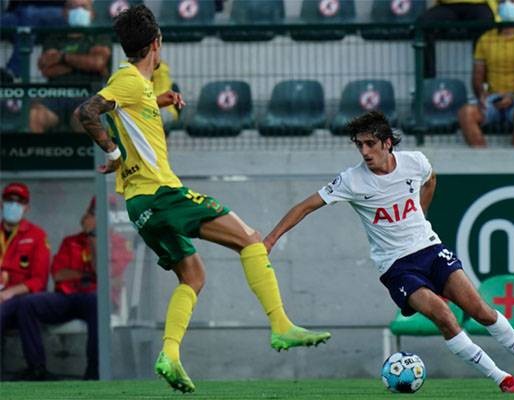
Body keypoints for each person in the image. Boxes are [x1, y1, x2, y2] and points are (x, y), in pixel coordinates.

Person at [74, 4, 330, 393]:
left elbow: (128, 109)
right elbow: (87, 111)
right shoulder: (127, 81)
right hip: (162, 194)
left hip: (141, 207)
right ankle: (280, 326)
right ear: (157, 43)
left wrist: (159, 104)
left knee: (193, 276)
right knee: (249, 238)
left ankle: (170, 354)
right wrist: (111, 152)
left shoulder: (136, 85)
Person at [264, 111, 514, 393]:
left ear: (387, 143)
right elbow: (306, 205)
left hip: (429, 248)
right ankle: (502, 378)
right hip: (396, 266)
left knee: (481, 310)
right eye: (359, 145)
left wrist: (421, 214)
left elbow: (431, 178)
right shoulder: (352, 180)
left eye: (370, 144)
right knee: (444, 316)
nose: (365, 152)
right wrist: (272, 238)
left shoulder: (415, 162)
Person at [17, 197, 133, 380]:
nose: (99, 217)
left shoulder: (119, 243)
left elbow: (103, 272)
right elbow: (58, 274)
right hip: (67, 297)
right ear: (88, 214)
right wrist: (86, 276)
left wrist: (94, 236)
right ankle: (36, 369)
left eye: (106, 212)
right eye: (95, 212)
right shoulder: (71, 241)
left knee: (97, 303)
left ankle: (95, 372)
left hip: (98, 298)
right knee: (27, 303)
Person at [458, 0, 514, 147]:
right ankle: (485, 162)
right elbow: (477, 76)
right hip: (493, 99)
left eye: (513, 2)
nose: (507, 5)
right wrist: (482, 94)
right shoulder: (485, 39)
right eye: (503, 2)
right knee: (465, 113)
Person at [29, 0, 112, 133]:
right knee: (35, 116)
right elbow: (47, 69)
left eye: (84, 7)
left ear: (92, 13)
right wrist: (84, 61)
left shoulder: (99, 35)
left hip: (88, 95)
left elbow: (97, 63)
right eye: (73, 7)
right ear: (65, 13)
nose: (79, 11)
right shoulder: (54, 37)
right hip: (56, 95)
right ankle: (39, 153)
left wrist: (62, 58)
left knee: (85, 118)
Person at [0, 182, 51, 380]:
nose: (14, 204)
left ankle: (37, 368)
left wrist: (8, 293)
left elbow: (39, 280)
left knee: (21, 305)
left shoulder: (37, 236)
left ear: (27, 207)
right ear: (2, 203)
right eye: (10, 200)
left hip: (20, 298)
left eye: (19, 201)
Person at [417, 0, 497, 78]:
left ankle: (484, 80)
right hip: (448, 5)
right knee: (424, 22)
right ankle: (429, 79)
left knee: (486, 22)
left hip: (477, 4)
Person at [0, 0, 65, 78]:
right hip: (21, 13)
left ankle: (13, 71)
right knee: (23, 16)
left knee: (30, 15)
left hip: (60, 11)